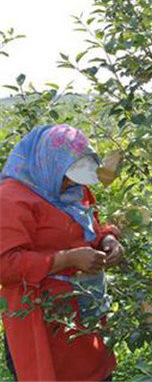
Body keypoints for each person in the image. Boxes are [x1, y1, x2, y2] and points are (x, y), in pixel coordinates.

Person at [0, 124, 125, 381]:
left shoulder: (72, 188)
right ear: (49, 164)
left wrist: (108, 239)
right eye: (68, 177)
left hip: (84, 313)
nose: (70, 184)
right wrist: (66, 259)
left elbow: (90, 224)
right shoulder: (11, 200)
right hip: (44, 321)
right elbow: (5, 266)